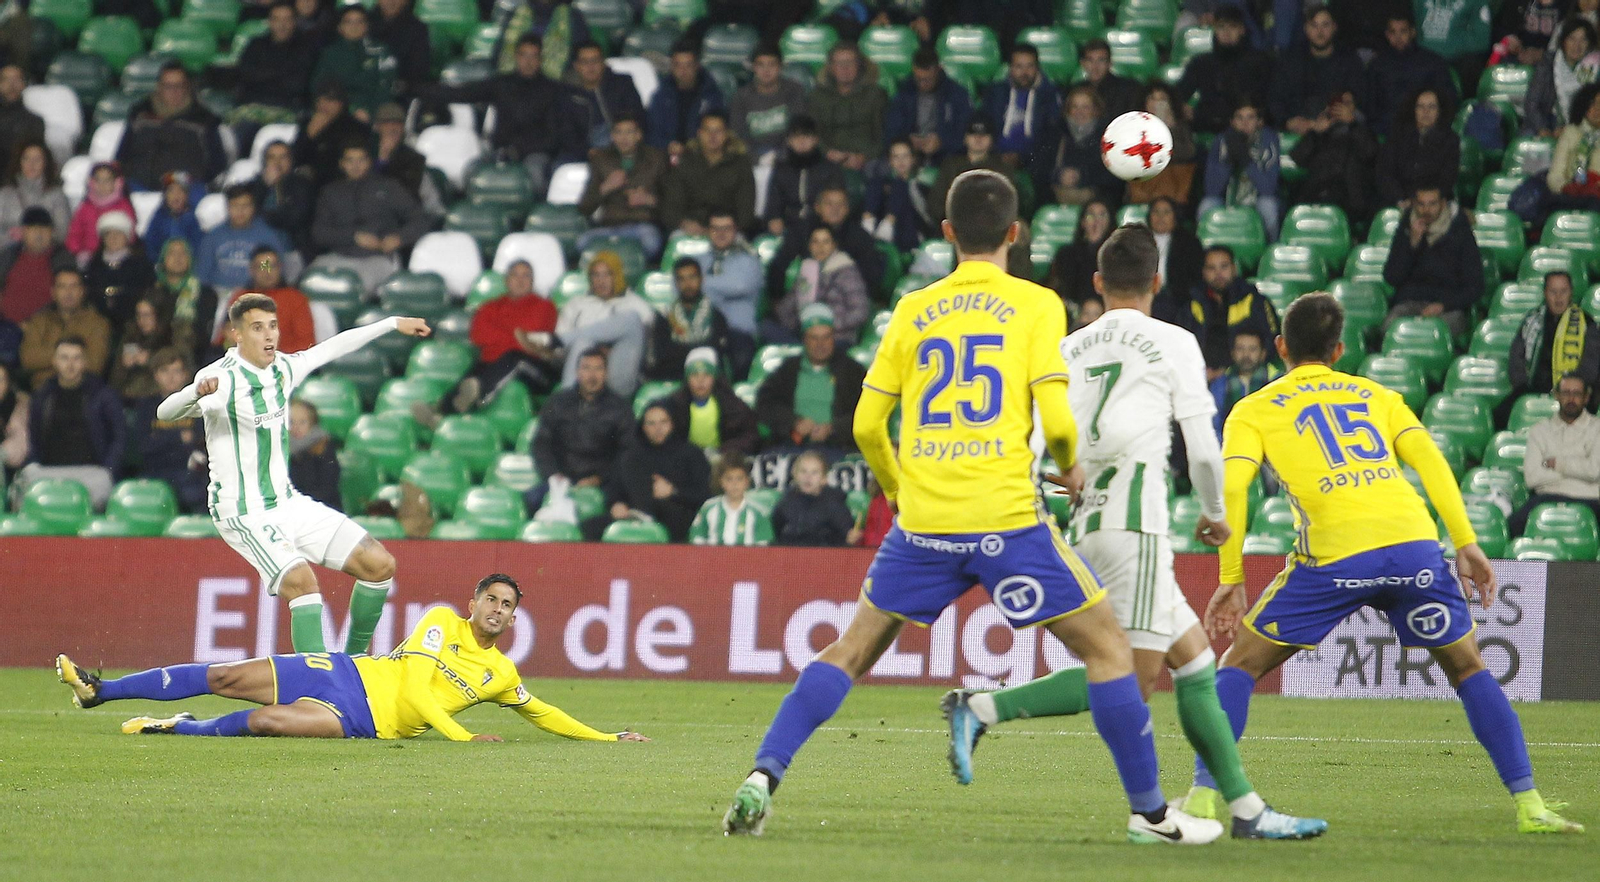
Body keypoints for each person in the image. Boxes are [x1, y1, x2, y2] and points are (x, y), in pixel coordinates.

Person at [723, 169, 1223, 845]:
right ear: (1016, 235)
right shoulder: (1037, 305)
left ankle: (761, 778)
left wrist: (901, 491)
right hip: (1005, 517)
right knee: (1108, 649)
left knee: (851, 648)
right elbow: (1056, 418)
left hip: (923, 521)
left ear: (948, 234)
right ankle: (1150, 815)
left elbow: (869, 427)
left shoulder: (910, 310)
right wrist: (1071, 467)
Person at [943, 223, 1326, 841]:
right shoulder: (1174, 341)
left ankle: (1250, 812)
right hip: (1136, 523)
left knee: (1197, 662)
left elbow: (1033, 445)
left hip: (1091, 518)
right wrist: (1215, 510)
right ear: (1157, 281)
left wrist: (1051, 482)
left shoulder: (1068, 348)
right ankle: (989, 711)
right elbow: (1203, 448)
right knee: (1129, 675)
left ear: (1098, 284)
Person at [1192, 291, 1583, 836]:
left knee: (1238, 666)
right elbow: (1430, 459)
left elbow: (1233, 489)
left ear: (1280, 345)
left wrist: (1231, 578)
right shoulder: (1378, 395)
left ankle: (1204, 801)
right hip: (1413, 547)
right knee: (1468, 668)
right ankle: (1531, 805)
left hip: (1334, 556)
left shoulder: (1254, 410)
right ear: (1340, 348)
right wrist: (1465, 541)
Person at [56, 575, 650, 744]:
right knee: (226, 676)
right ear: (473, 602)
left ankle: (180, 728)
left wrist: (604, 738)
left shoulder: (503, 675)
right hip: (347, 673)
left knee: (264, 723)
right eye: (490, 599)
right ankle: (99, 690)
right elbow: (418, 689)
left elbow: (541, 712)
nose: (497, 610)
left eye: (507, 606)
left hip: (361, 723)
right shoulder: (443, 620)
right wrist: (460, 738)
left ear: (515, 618)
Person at [154, 294, 428, 653]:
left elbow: (333, 346)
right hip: (242, 511)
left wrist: (391, 323)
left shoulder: (283, 368)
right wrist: (194, 392)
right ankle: (318, 690)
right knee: (303, 583)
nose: (269, 336)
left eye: (272, 326)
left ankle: (354, 664)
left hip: (286, 502)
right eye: (257, 328)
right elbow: (165, 410)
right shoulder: (222, 378)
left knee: (379, 565)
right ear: (236, 334)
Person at [425, 34, 586, 201]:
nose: (528, 61)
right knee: (473, 172)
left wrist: (525, 149)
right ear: (516, 57)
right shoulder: (502, 84)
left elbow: (556, 135)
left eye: (533, 56)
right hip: (501, 152)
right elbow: (461, 93)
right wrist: (417, 89)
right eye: (524, 55)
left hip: (536, 154)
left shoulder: (553, 90)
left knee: (535, 179)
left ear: (541, 59)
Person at [15, 336, 123, 509]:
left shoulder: (103, 396)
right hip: (47, 472)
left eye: (76, 358)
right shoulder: (42, 396)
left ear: (85, 362)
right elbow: (33, 436)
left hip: (91, 473)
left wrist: (108, 469)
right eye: (64, 358)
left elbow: (118, 437)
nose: (70, 364)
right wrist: (34, 462)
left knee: (102, 485)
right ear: (54, 361)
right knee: (24, 484)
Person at [525, 347, 636, 514]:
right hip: (561, 479)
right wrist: (554, 475)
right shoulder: (557, 402)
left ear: (606, 373)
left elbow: (627, 453)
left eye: (598, 369)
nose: (592, 375)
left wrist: (599, 478)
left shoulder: (620, 408)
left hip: (603, 483)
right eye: (586, 368)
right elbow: (541, 444)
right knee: (527, 501)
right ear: (577, 372)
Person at [309, 142, 429, 294]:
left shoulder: (389, 187)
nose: (356, 165)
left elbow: (420, 219)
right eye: (350, 160)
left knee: (354, 288)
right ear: (342, 164)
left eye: (361, 160)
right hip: (340, 256)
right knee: (310, 282)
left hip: (379, 258)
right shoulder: (330, 192)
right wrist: (353, 237)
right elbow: (319, 233)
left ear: (369, 162)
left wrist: (399, 238)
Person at [585, 403, 710, 542]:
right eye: (651, 423)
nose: (658, 428)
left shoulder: (691, 453)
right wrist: (616, 503)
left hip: (674, 516)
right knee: (590, 526)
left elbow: (704, 495)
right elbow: (613, 486)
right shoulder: (630, 455)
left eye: (663, 422)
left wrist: (674, 492)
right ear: (643, 427)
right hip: (632, 514)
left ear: (672, 423)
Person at [755, 303, 865, 455]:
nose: (821, 344)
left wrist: (834, 428)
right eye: (814, 338)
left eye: (826, 337)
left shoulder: (852, 371)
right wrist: (794, 422)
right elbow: (765, 404)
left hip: (837, 448)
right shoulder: (788, 370)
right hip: (792, 445)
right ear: (804, 339)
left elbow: (866, 412)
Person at [1382, 180, 1482, 340]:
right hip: (1410, 302)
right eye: (1421, 204)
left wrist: (1444, 305)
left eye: (1432, 204)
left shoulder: (1461, 233)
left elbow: (1475, 287)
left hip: (1448, 307)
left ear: (1443, 203)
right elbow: (1392, 277)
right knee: (1390, 327)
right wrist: (1412, 245)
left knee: (1435, 336)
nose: (1426, 210)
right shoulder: (1406, 228)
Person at [457, 259, 561, 407]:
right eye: (515, 275)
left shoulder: (545, 307)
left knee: (514, 358)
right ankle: (440, 410)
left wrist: (500, 337)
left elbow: (530, 341)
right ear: (506, 280)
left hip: (536, 370)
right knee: (478, 369)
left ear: (532, 281)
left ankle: (478, 395)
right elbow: (478, 336)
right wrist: (516, 336)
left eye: (526, 276)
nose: (520, 280)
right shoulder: (489, 307)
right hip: (493, 363)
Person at [114, 62, 226, 192]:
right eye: (168, 86)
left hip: (186, 190)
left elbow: (216, 165)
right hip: (138, 185)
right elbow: (121, 156)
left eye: (179, 86)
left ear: (187, 87)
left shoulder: (204, 120)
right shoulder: (140, 115)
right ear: (159, 87)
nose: (174, 92)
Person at [1511, 372, 1600, 535]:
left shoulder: (1598, 429)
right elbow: (1532, 478)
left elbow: (1595, 471)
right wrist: (1578, 475)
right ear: (1557, 396)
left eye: (1577, 394)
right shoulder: (1539, 431)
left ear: (1586, 398)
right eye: (1566, 393)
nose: (1571, 399)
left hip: (1591, 502)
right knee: (1513, 525)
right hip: (1547, 499)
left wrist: (1557, 465)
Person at [555, 251, 653, 396]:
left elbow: (642, 351)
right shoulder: (576, 305)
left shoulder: (638, 307)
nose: (601, 281)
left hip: (619, 371)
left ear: (617, 275)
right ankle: (569, 401)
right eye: (596, 275)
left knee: (630, 319)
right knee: (582, 343)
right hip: (581, 370)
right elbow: (558, 352)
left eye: (608, 274)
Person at [1177, 246, 1281, 379]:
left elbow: (1271, 342)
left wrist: (1230, 373)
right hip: (1199, 376)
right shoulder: (1192, 304)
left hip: (1244, 375)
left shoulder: (1254, 300)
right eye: (1211, 268)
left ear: (1234, 269)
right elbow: (1180, 345)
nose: (1218, 273)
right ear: (1203, 272)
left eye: (1224, 267)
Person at [764, 185, 886, 298]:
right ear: (817, 207)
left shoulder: (860, 236)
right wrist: (777, 298)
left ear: (847, 209)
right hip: (803, 297)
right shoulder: (801, 231)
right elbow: (780, 266)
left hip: (844, 301)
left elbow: (871, 274)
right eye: (829, 204)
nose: (835, 209)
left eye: (841, 204)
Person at [575, 114, 668, 260]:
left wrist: (649, 200)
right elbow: (585, 207)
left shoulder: (657, 159)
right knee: (583, 242)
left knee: (651, 242)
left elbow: (672, 202)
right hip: (609, 226)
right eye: (618, 132)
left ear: (639, 135)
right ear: (612, 136)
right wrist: (606, 187)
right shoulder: (601, 159)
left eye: (629, 132)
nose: (623, 138)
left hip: (641, 226)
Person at [128, 347, 207, 512]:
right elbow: (143, 446)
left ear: (186, 375)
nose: (171, 377)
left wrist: (160, 438)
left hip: (189, 474)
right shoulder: (146, 407)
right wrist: (178, 437)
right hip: (154, 472)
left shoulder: (200, 406)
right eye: (165, 371)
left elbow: (201, 442)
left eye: (176, 371)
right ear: (156, 375)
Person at [1271, 5, 1368, 136]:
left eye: (1325, 25)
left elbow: (1360, 97)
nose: (1320, 31)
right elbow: (1276, 99)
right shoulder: (1290, 60)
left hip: (1337, 129)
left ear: (1334, 27)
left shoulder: (1349, 60)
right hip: (1299, 129)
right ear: (1306, 29)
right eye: (1314, 25)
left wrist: (1349, 109)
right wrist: (1288, 122)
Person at [1287, 90, 1380, 227]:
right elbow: (1297, 157)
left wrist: (1353, 125)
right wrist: (1315, 133)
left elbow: (1371, 153)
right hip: (1317, 192)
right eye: (1337, 104)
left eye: (1347, 104)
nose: (1341, 108)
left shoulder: (1361, 129)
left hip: (1350, 196)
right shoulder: (1321, 132)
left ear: (1354, 107)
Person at [1176, 7, 1272, 134]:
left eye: (1232, 27)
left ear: (1242, 30)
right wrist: (1182, 108)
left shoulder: (1260, 62)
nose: (1226, 32)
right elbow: (1178, 95)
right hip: (1208, 125)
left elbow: (1267, 99)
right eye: (1221, 27)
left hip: (1248, 127)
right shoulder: (1202, 63)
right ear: (1215, 30)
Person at [661, 112, 756, 237]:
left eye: (718, 131)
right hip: (689, 230)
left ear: (727, 134)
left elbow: (746, 209)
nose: (713, 136)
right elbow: (671, 205)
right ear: (699, 133)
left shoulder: (740, 164)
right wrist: (684, 223)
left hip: (729, 231)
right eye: (708, 131)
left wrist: (726, 228)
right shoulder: (685, 162)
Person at [1198, 100, 1282, 241]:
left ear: (1259, 122)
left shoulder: (1269, 140)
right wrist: (1229, 161)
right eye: (1239, 117)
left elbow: (1268, 189)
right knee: (1206, 206)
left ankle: (1269, 251)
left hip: (1258, 199)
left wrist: (1246, 160)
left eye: (1250, 117)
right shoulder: (1222, 141)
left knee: (1268, 206)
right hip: (1226, 197)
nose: (1245, 123)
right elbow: (1212, 189)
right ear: (1232, 122)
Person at [984, 43, 1061, 197]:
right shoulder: (995, 92)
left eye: (1029, 66)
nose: (1024, 72)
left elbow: (1050, 136)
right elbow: (987, 126)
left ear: (1037, 68)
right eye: (1019, 66)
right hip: (995, 156)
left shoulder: (1049, 95)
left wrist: (1023, 158)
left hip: (1033, 161)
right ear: (1010, 68)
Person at [1365, 11, 1457, 138]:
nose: (1398, 38)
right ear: (1387, 35)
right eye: (1393, 32)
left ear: (1412, 32)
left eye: (1403, 31)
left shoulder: (1432, 62)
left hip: (1426, 128)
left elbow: (1448, 99)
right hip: (1389, 130)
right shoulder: (1377, 65)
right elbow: (1371, 106)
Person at [771, 226, 869, 346]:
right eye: (815, 242)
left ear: (834, 245)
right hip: (805, 334)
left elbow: (860, 312)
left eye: (825, 242)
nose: (820, 247)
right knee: (767, 328)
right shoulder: (807, 269)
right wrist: (801, 325)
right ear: (809, 246)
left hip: (835, 338)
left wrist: (826, 325)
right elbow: (786, 307)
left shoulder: (847, 271)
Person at [1510, 272, 1600, 401]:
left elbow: (1590, 367)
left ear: (1571, 293)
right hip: (1531, 392)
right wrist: (1523, 387)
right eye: (1553, 291)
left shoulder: (1586, 323)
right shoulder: (1531, 322)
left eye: (1563, 291)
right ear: (1545, 293)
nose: (1558, 297)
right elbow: (1516, 360)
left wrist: (1566, 390)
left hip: (1574, 395)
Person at [658, 347, 759, 457]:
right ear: (687, 378)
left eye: (706, 375)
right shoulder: (673, 405)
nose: (700, 381)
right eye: (694, 375)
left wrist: (722, 452)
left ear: (715, 377)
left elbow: (749, 436)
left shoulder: (732, 405)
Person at [805, 42, 888, 175]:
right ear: (831, 67)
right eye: (839, 63)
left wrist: (864, 156)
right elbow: (813, 133)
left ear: (859, 65)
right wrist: (827, 152)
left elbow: (883, 135)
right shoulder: (817, 97)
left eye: (850, 62)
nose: (845, 68)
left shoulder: (876, 95)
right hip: (829, 158)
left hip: (868, 160)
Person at [216, 247, 317, 355]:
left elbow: (306, 344)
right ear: (251, 270)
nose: (268, 272)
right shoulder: (240, 298)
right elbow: (224, 340)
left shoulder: (296, 299)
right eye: (262, 267)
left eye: (272, 266)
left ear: (280, 268)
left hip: (285, 364)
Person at [20, 268, 111, 388]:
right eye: (62, 286)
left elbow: (95, 364)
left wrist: (54, 359)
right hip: (43, 392)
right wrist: (73, 357)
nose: (68, 292)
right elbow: (28, 359)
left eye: (74, 286)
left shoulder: (98, 323)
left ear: (82, 291)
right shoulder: (39, 321)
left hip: (83, 392)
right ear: (53, 292)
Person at [234, 1, 317, 131]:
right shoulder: (255, 45)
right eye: (276, 19)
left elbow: (298, 84)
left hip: (288, 109)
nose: (282, 25)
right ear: (269, 22)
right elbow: (245, 75)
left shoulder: (305, 48)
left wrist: (263, 74)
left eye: (287, 19)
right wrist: (281, 73)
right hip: (253, 106)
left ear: (294, 21)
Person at [697, 212, 761, 378]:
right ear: (707, 231)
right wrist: (725, 285)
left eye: (727, 228)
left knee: (741, 361)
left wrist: (704, 282)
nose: (721, 233)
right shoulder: (697, 261)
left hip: (738, 330)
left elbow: (741, 286)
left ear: (735, 231)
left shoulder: (749, 260)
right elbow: (683, 288)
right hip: (703, 330)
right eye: (715, 229)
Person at [885, 47, 973, 165]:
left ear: (938, 70)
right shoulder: (904, 93)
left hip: (947, 157)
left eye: (928, 79)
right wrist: (907, 141)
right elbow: (891, 129)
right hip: (909, 157)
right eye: (919, 79)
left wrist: (942, 142)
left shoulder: (957, 94)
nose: (923, 84)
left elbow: (966, 133)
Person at [197, 185, 292, 294]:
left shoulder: (267, 237)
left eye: (245, 206)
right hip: (219, 294)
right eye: (235, 205)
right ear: (227, 207)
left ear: (253, 207)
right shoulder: (213, 237)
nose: (240, 211)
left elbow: (270, 274)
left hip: (255, 294)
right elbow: (202, 275)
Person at [309, 5, 398, 120]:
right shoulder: (329, 54)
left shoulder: (381, 51)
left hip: (374, 113)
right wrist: (350, 109)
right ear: (340, 27)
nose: (354, 26)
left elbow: (387, 87)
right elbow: (319, 87)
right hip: (337, 112)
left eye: (359, 22)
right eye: (348, 22)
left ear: (367, 26)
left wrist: (370, 110)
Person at [763, 115, 846, 237]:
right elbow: (773, 203)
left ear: (816, 139)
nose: (801, 141)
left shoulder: (830, 169)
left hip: (822, 227)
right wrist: (774, 219)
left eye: (806, 136)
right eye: (796, 136)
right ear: (788, 140)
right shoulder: (781, 169)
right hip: (789, 227)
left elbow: (837, 203)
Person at [1376, 88, 1459, 207]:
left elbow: (1447, 179)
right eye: (1421, 106)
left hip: (1435, 203)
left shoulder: (1450, 140)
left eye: (1432, 107)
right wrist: (1401, 199)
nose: (1426, 111)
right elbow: (1385, 174)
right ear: (1413, 110)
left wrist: (1422, 202)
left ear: (1439, 111)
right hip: (1400, 201)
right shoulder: (1397, 137)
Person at [649, 259, 730, 380]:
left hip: (707, 378)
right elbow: (662, 356)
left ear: (701, 279)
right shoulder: (665, 318)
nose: (688, 284)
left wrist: (680, 350)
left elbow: (715, 354)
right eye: (682, 279)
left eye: (692, 277)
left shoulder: (716, 316)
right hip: (673, 378)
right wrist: (697, 349)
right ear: (676, 283)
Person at [1523, 18, 1600, 137]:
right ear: (1563, 41)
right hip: (1546, 120)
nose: (1577, 45)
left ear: (1589, 44)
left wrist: (1571, 128)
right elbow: (1532, 103)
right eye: (1572, 39)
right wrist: (1542, 128)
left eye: (1583, 40)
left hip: (1583, 125)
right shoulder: (1548, 63)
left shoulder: (1594, 68)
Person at [646, 41, 725, 156]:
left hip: (702, 157)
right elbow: (651, 133)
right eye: (678, 65)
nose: (683, 71)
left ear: (697, 66)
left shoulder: (712, 96)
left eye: (688, 65)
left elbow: (718, 133)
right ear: (672, 66)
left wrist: (691, 148)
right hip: (666, 157)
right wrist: (668, 145)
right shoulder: (660, 96)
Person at [147, 238, 217, 368]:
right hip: (156, 352)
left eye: (183, 253)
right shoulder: (152, 292)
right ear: (163, 259)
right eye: (172, 253)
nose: (178, 258)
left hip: (193, 355)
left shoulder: (205, 294)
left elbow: (203, 332)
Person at [728, 44, 808, 158]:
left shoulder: (794, 91)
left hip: (788, 159)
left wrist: (778, 156)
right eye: (761, 65)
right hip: (752, 160)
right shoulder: (741, 97)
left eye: (772, 64)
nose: (766, 70)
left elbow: (799, 131)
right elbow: (738, 136)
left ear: (780, 67)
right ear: (754, 67)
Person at [0, 207, 76, 325]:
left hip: (48, 328)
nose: (39, 233)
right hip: (6, 328)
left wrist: (34, 325)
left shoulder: (63, 259)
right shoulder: (8, 256)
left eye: (44, 229)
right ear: (23, 231)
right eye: (33, 228)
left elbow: (69, 298)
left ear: (52, 232)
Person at [81, 211, 154, 334]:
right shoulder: (94, 265)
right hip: (98, 326)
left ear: (126, 237)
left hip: (132, 326)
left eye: (118, 234)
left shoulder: (140, 264)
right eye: (109, 234)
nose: (113, 239)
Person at [566, 41, 645, 152]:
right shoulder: (567, 92)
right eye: (585, 62)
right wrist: (587, 151)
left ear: (603, 62)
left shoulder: (622, 84)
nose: (590, 66)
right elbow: (566, 133)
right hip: (582, 147)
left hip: (621, 142)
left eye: (595, 60)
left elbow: (637, 117)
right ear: (576, 66)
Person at [293, 82, 374, 189]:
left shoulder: (354, 126)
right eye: (324, 99)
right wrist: (308, 136)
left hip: (345, 182)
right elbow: (294, 159)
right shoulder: (308, 124)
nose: (327, 105)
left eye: (333, 101)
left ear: (341, 104)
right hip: (311, 183)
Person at [931, 119, 1012, 225]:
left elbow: (1008, 204)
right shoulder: (951, 165)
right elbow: (936, 202)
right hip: (955, 226)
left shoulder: (1002, 168)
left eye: (984, 135)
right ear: (965, 138)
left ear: (992, 140)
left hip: (991, 228)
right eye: (973, 134)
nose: (978, 138)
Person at [769, 449, 856, 547]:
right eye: (803, 471)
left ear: (824, 479)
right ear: (795, 475)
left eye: (814, 472)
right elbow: (777, 529)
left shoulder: (834, 503)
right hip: (792, 556)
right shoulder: (786, 501)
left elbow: (847, 537)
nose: (808, 477)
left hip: (826, 557)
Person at [1051, 86, 1120, 208]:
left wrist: (1081, 176)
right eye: (1075, 107)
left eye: (1085, 107)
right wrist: (1059, 175)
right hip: (1059, 199)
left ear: (1095, 110)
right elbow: (1041, 167)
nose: (1080, 112)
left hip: (1099, 200)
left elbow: (1112, 175)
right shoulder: (1057, 134)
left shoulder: (1107, 137)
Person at [494, 0, 591, 81]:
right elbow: (499, 50)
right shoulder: (516, 13)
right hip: (515, 79)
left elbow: (581, 52)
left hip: (559, 81)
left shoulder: (573, 16)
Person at [861, 139, 928, 253]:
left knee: (900, 184)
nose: (901, 161)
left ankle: (889, 223)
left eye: (905, 156)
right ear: (890, 161)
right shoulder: (883, 183)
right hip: (882, 229)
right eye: (896, 157)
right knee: (877, 182)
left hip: (912, 230)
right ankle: (868, 222)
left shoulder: (921, 182)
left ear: (913, 159)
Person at [1046, 199, 1113, 312]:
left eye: (1102, 215)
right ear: (1083, 222)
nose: (1097, 221)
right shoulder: (1066, 254)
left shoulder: (1116, 256)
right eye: (1091, 215)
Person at [1209, 330, 1280, 437]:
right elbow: (1214, 426)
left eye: (1252, 349)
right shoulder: (1220, 384)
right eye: (1240, 349)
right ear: (1232, 353)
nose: (1246, 355)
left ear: (1263, 354)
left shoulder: (1277, 382)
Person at [689, 455, 771, 545]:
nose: (734, 484)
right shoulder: (708, 508)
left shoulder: (758, 512)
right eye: (729, 479)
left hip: (747, 558)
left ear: (747, 482)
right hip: (712, 558)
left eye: (739, 479)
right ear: (721, 481)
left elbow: (764, 545)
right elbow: (697, 538)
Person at [65, 162, 136, 262]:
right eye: (98, 180)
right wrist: (77, 251)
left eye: (107, 180)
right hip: (86, 257)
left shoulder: (124, 207)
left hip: (116, 256)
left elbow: (130, 236)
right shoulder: (85, 208)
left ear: (117, 183)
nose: (102, 185)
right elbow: (74, 234)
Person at [256, 140, 318, 254]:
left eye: (283, 157)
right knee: (266, 270)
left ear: (291, 160)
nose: (277, 162)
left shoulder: (302, 185)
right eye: (272, 157)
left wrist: (265, 216)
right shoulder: (256, 185)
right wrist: (264, 186)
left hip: (293, 251)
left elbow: (295, 218)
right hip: (264, 251)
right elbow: (250, 212)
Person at [0, 141, 68, 240]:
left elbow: (63, 233)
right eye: (26, 158)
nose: (31, 164)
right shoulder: (5, 195)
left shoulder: (57, 196)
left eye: (37, 159)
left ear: (46, 163)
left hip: (47, 253)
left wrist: (34, 236)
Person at [1148, 196, 1204, 316]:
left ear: (1175, 216)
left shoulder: (1189, 242)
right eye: (1156, 212)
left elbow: (1194, 277)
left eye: (1166, 212)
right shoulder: (1139, 241)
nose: (1160, 217)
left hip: (1178, 299)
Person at [368, 0, 432, 100]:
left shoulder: (418, 29)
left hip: (399, 93)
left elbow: (418, 70)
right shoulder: (362, 23)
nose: (391, 2)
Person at [109, 297, 171, 399]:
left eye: (147, 315)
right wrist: (124, 366)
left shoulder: (170, 336)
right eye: (139, 315)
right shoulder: (130, 337)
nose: (142, 320)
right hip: (129, 397)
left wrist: (150, 359)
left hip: (159, 396)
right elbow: (115, 379)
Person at [288, 398, 341, 510]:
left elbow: (327, 489)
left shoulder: (324, 447)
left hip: (323, 510)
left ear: (312, 423)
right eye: (291, 422)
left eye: (302, 422)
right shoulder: (280, 449)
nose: (296, 428)